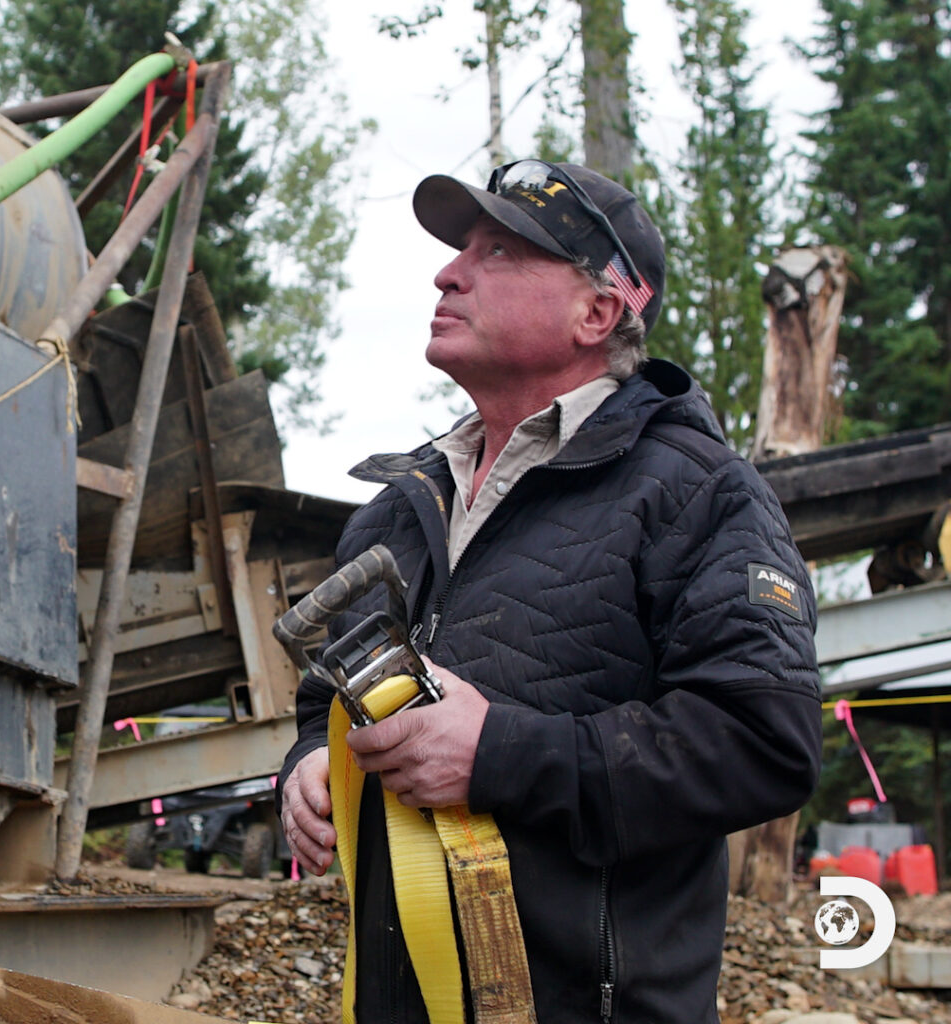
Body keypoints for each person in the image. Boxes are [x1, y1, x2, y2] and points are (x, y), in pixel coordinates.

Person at [278, 159, 822, 1024]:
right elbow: (325, 698)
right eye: (462, 248)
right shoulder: (398, 508)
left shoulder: (698, 494)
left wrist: (498, 754)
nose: (448, 272)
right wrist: (311, 761)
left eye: (498, 252)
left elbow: (764, 744)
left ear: (597, 313)